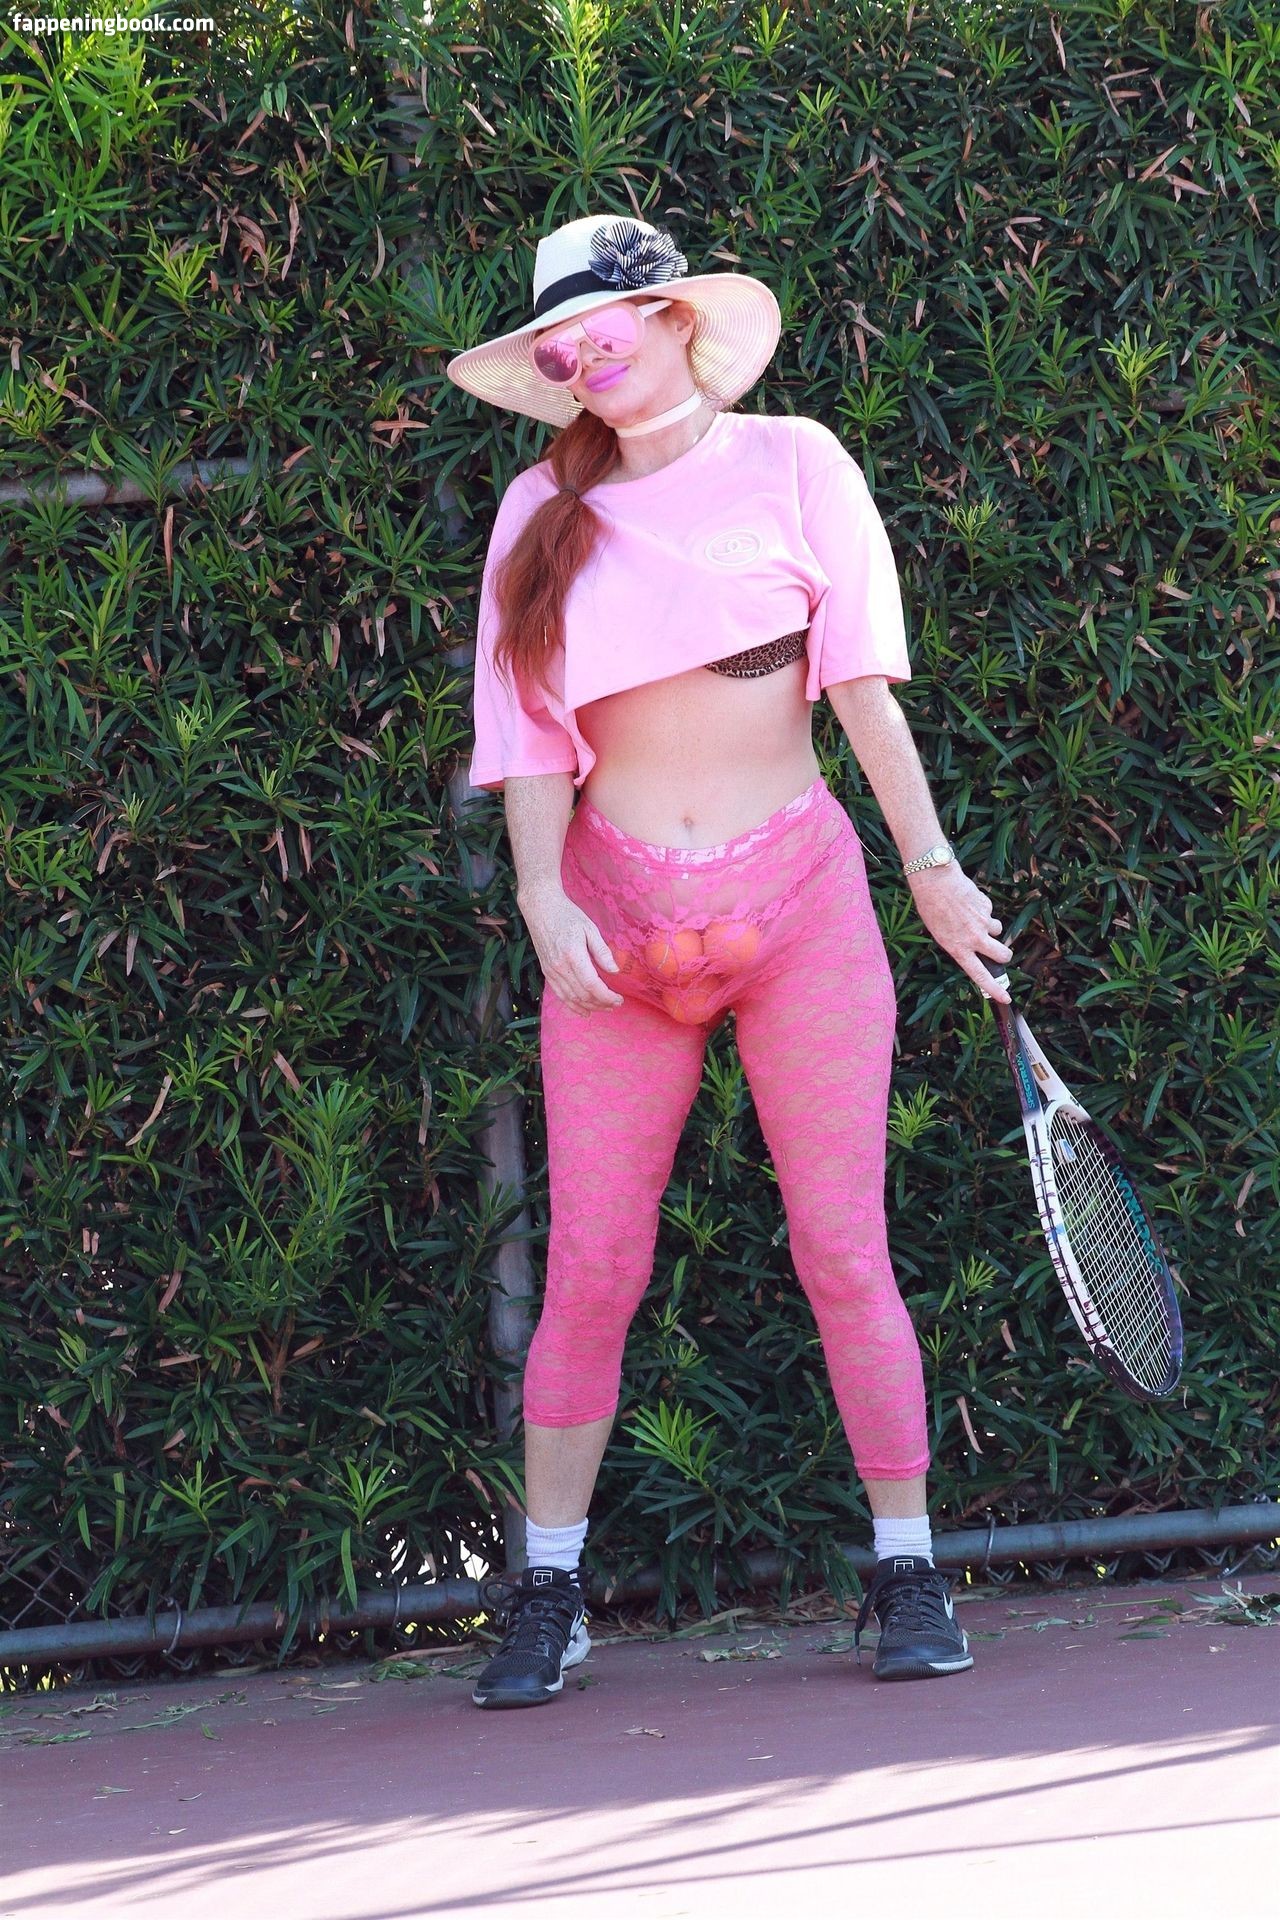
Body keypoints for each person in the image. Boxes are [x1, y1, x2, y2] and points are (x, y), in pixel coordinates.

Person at [445, 212, 1013, 1708]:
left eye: (602, 331)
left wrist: (934, 873)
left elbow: (864, 690)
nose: (583, 361)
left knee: (844, 1248)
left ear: (676, 321)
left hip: (800, 908)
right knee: (593, 1266)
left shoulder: (798, 462)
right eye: (557, 349)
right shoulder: (537, 510)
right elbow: (525, 739)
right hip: (614, 930)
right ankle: (548, 1591)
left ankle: (908, 1567)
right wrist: (540, 897)